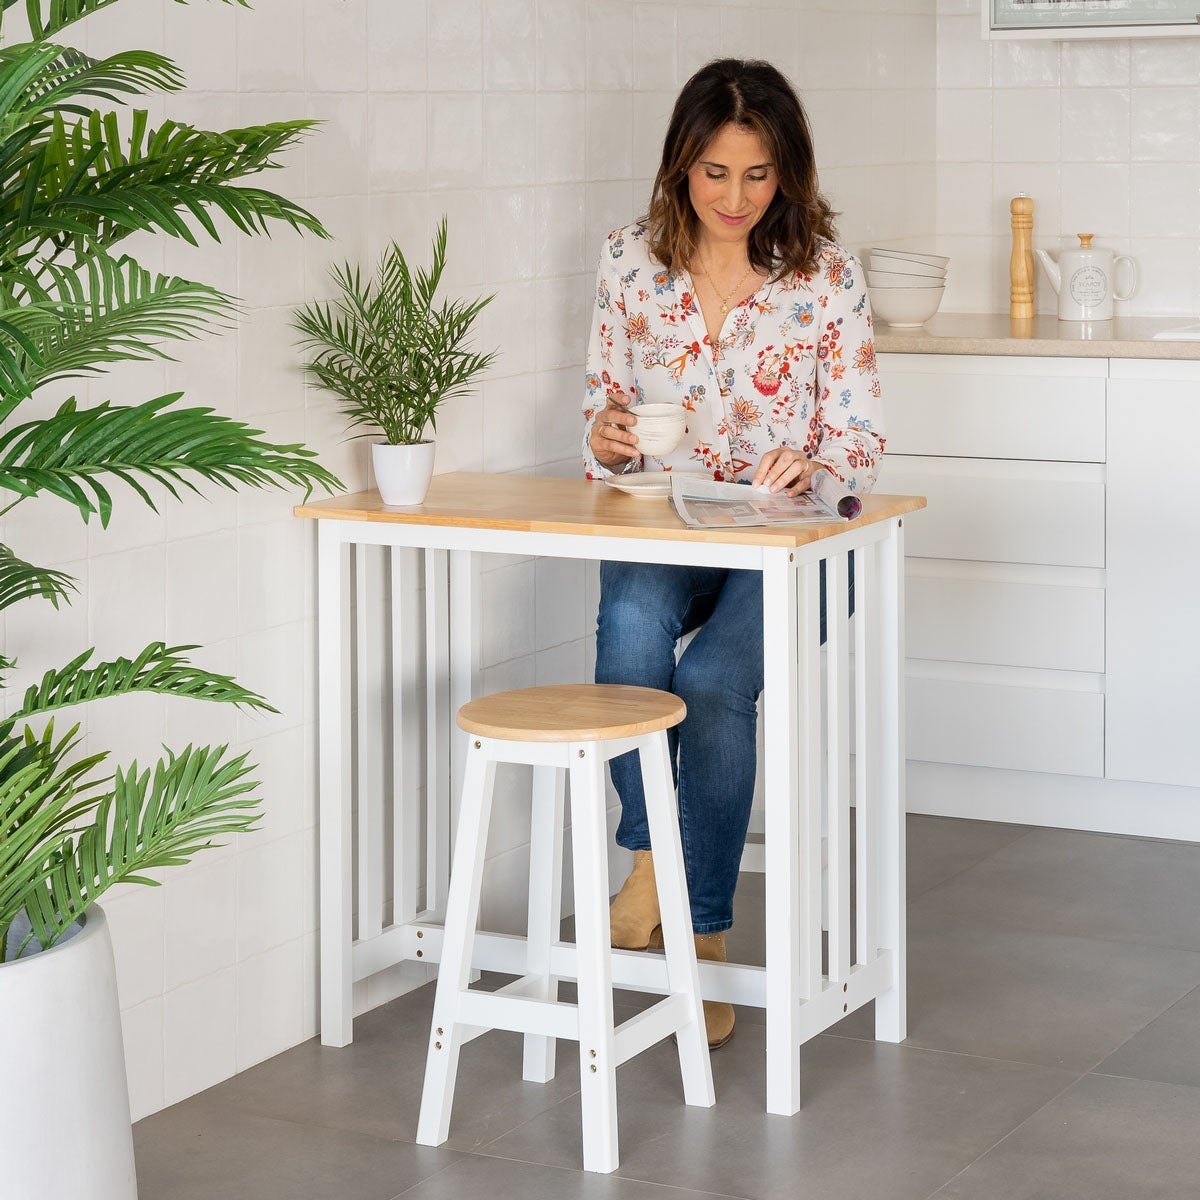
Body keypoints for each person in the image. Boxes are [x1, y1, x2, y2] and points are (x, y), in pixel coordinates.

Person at [580, 59, 885, 1049]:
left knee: (712, 683)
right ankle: (649, 867)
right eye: (715, 173)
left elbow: (859, 437)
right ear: (681, 166)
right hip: (666, 517)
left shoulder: (825, 276)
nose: (734, 197)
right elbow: (599, 411)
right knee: (629, 620)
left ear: (787, 175)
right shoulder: (629, 261)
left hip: (792, 537)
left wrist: (818, 459)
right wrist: (609, 440)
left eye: (757, 176)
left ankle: (696, 938)